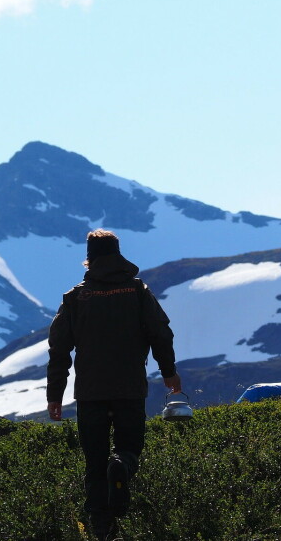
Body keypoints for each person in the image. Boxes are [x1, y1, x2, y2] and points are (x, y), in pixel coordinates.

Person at [47, 229, 181, 541]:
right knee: (129, 448)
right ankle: (121, 464)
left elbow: (59, 349)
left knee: (94, 464)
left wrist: (55, 394)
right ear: (118, 254)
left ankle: (103, 531)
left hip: (90, 392)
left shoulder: (75, 297)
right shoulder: (137, 292)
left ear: (89, 259)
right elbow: (160, 332)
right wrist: (169, 372)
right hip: (129, 388)